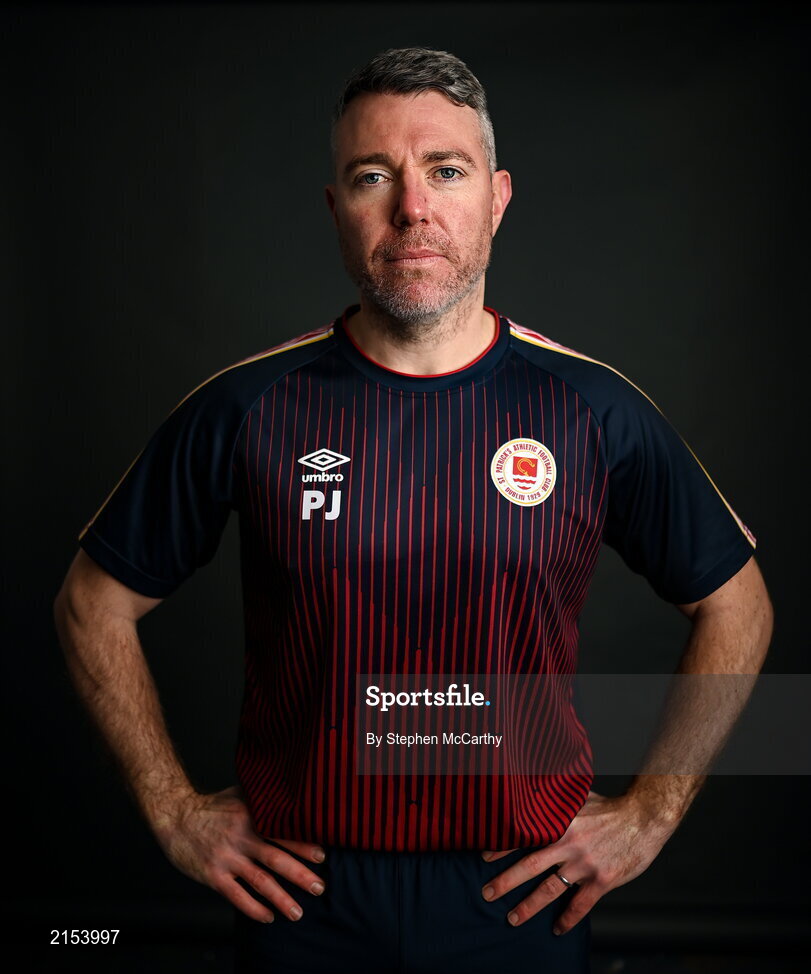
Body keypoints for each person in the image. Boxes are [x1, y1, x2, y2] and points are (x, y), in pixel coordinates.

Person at [54, 47, 772, 974]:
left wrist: (651, 814)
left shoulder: (594, 410)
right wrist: (172, 809)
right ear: (335, 210)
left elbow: (738, 606)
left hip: (518, 901)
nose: (412, 207)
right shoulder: (247, 406)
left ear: (497, 196)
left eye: (445, 170)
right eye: (371, 177)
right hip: (301, 901)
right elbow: (88, 604)